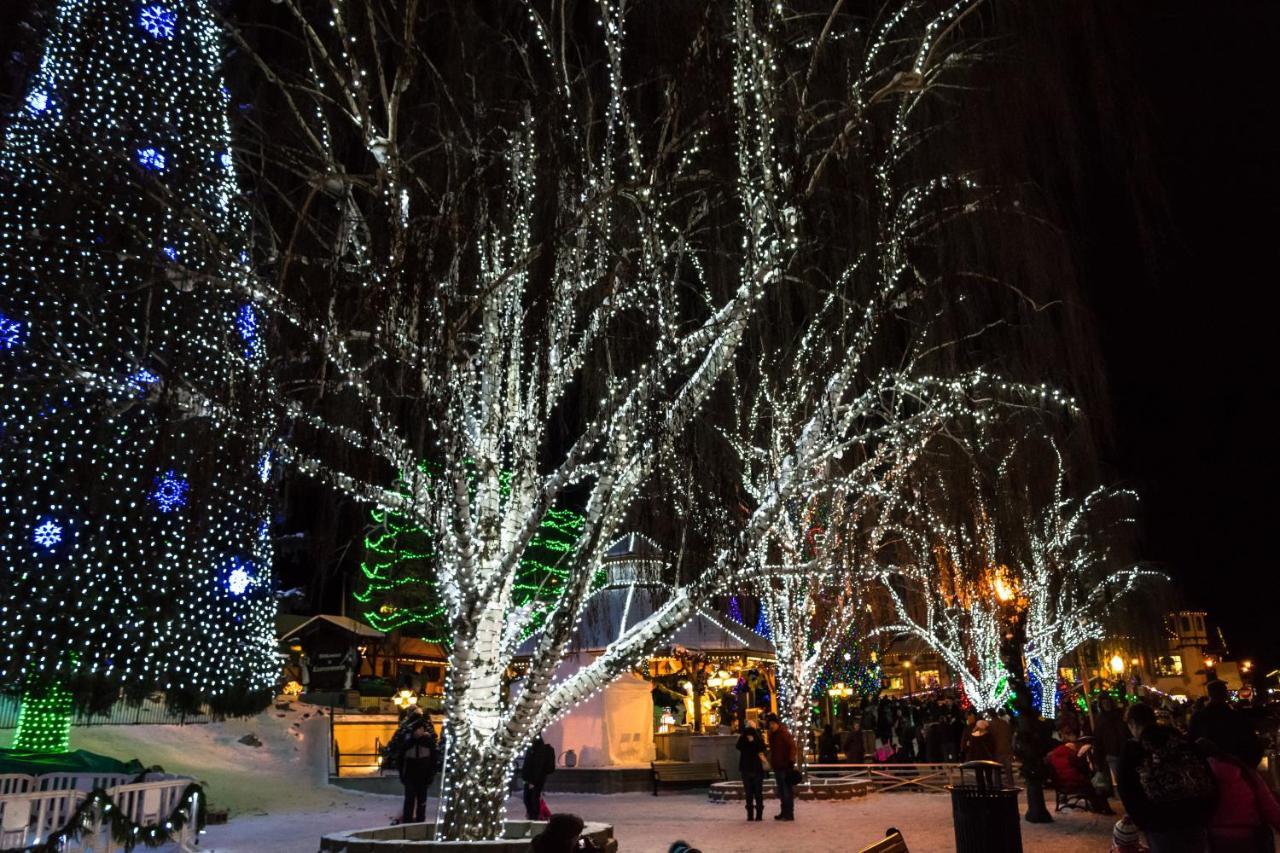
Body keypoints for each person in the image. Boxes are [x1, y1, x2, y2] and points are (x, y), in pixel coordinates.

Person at [1118, 702, 1217, 853]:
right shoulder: (1180, 740)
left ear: (1132, 723)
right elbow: (1205, 771)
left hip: (1160, 821)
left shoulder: (1134, 749)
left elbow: (1127, 789)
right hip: (1195, 814)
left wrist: (1143, 821)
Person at [1199, 738, 1280, 853]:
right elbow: (1270, 808)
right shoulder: (1247, 774)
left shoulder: (1199, 775)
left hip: (1212, 839)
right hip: (1248, 838)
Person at [1191, 681, 1263, 768]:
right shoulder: (1236, 716)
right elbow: (1251, 742)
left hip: (1209, 767)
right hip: (1234, 765)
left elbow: (1193, 742)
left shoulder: (1198, 717)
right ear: (1225, 694)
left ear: (1209, 694)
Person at [1046, 737, 1115, 814]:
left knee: (1090, 784)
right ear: (1072, 748)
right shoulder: (1071, 754)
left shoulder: (1052, 755)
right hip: (1072, 782)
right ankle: (1101, 809)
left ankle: (1100, 807)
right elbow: (1083, 767)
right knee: (1095, 786)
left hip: (1059, 784)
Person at [399, 717, 438, 824]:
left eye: (421, 729)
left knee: (422, 800)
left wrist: (430, 775)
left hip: (423, 776)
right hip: (410, 775)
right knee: (409, 800)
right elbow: (400, 760)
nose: (419, 731)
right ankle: (407, 820)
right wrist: (402, 775)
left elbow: (433, 761)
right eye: (417, 729)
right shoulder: (408, 744)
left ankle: (420, 819)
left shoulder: (428, 743)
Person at [765, 713, 797, 821]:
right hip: (777, 766)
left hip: (785, 766)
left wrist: (791, 761)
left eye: (773, 723)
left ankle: (789, 813)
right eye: (770, 724)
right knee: (782, 791)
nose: (771, 726)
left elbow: (792, 747)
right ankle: (784, 812)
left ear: (777, 724)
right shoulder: (772, 735)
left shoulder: (783, 733)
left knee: (786, 790)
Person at [1097, 696, 1131, 792]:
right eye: (1104, 703)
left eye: (1108, 702)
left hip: (1124, 749)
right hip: (1111, 752)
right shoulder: (1101, 719)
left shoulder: (1119, 715)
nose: (1106, 705)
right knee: (1119, 777)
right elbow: (1099, 737)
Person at [521, 734, 557, 821]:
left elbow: (536, 766)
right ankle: (534, 817)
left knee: (532, 799)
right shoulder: (533, 749)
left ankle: (534, 818)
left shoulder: (537, 750)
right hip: (532, 779)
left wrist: (531, 781)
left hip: (534, 780)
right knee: (531, 799)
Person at [736, 724, 767, 821]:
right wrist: (750, 742)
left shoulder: (750, 739)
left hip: (749, 769)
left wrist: (752, 742)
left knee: (751, 793)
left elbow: (760, 747)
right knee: (756, 793)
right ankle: (757, 814)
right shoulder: (751, 739)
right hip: (755, 769)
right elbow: (761, 747)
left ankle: (752, 815)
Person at [987, 710, 1015, 788]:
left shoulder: (991, 725)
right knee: (1008, 770)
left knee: (996, 770)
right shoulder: (1004, 723)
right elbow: (1010, 735)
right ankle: (1011, 785)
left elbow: (990, 738)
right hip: (1007, 748)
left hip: (997, 750)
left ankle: (997, 786)